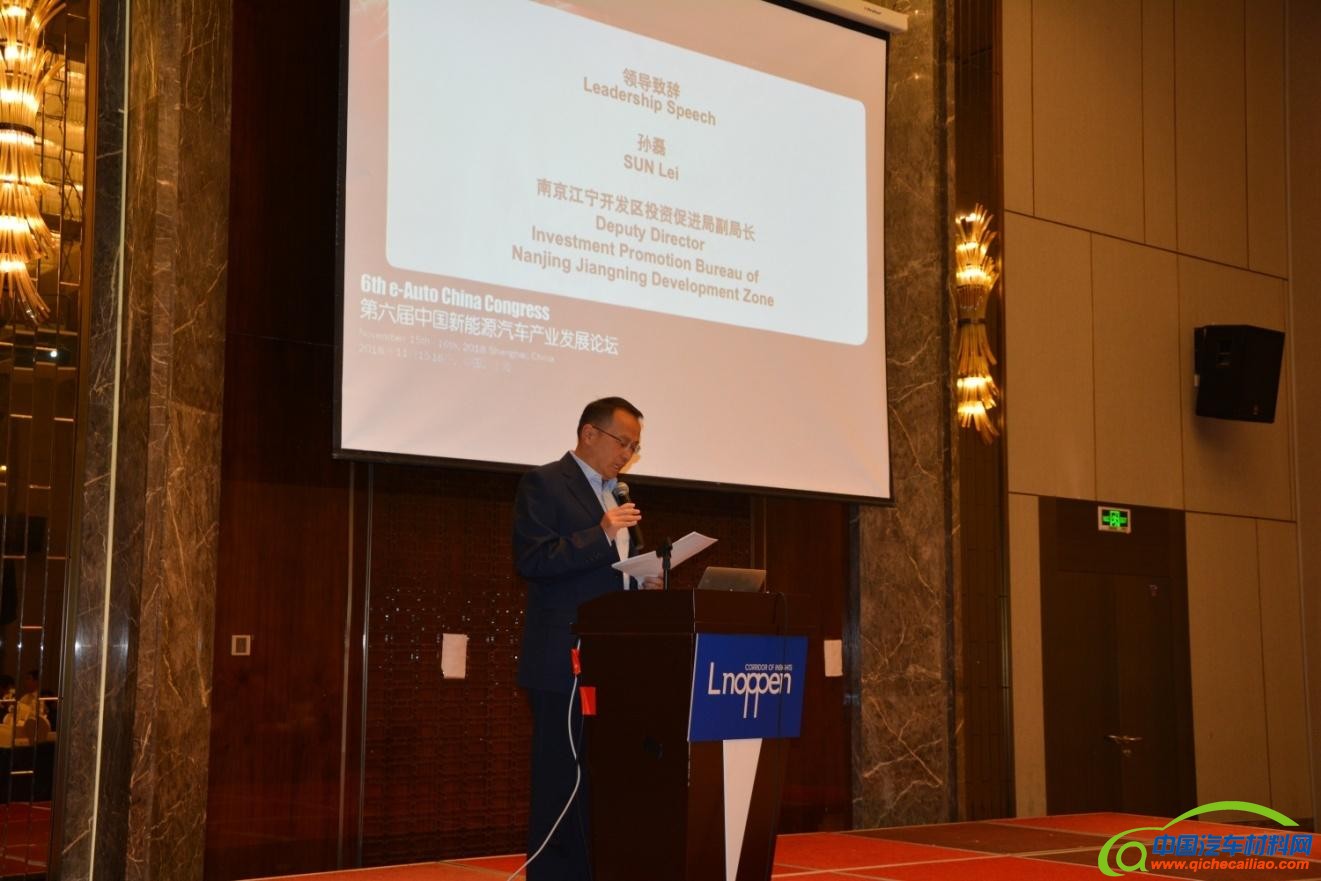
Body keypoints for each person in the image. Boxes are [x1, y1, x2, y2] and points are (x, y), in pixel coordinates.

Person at [513, 396, 658, 881]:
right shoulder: (545, 483)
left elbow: (614, 570)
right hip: (562, 660)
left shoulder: (618, 496)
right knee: (560, 777)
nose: (628, 455)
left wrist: (644, 579)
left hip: (614, 660)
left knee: (603, 777)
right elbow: (533, 560)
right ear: (589, 433)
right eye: (623, 443)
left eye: (634, 447)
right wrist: (600, 533)